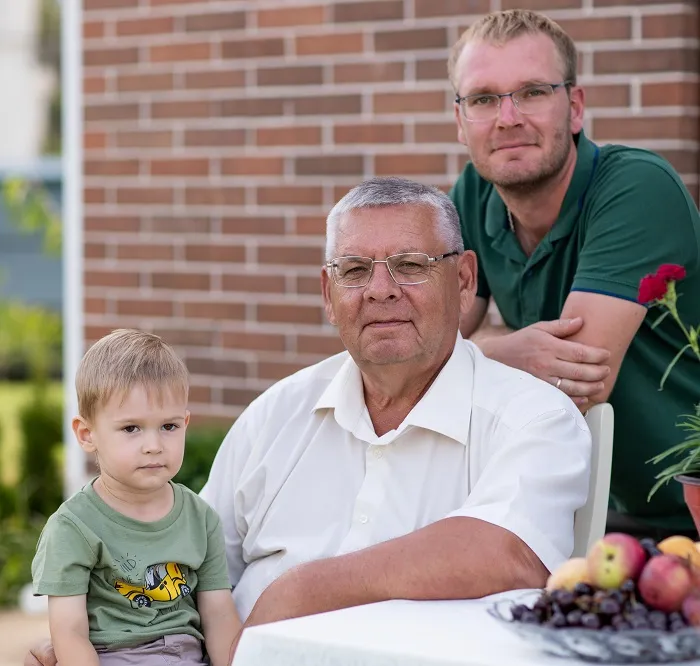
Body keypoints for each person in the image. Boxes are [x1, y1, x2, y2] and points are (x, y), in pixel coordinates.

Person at [27, 179, 590, 666]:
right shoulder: (276, 415)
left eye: (411, 265)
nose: (380, 289)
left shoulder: (531, 415)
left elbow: (509, 552)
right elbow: (187, 566)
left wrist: (297, 594)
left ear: (465, 279)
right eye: (354, 270)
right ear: (328, 292)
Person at [447, 9, 700, 539]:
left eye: (533, 92)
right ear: (461, 120)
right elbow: (415, 352)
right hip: (580, 513)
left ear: (575, 107)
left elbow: (577, 378)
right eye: (483, 98)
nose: (507, 116)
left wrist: (472, 353)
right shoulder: (471, 196)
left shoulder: (637, 188)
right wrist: (501, 351)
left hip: (689, 515)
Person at [30, 329, 241, 666]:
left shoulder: (200, 518)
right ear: (87, 434)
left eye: (169, 427)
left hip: (187, 655)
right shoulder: (74, 527)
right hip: (113, 656)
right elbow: (68, 632)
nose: (154, 444)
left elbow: (218, 615)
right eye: (131, 428)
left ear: (185, 423)